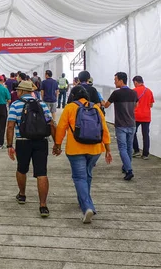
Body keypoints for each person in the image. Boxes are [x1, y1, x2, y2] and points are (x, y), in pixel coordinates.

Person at [53, 85, 112, 223]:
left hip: (76, 149)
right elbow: (104, 129)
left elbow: (61, 128)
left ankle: (87, 207)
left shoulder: (70, 108)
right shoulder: (96, 107)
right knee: (87, 176)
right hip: (95, 149)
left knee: (80, 178)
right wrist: (108, 149)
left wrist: (57, 145)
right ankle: (83, 201)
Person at [6, 81, 55, 218]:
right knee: (42, 173)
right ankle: (43, 205)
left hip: (22, 142)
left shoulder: (15, 105)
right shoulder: (42, 104)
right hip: (41, 141)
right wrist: (57, 144)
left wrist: (9, 145)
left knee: (22, 169)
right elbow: (51, 123)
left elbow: (10, 126)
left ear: (21, 91)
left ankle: (22, 195)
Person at [104, 72, 138, 181]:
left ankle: (129, 170)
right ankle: (126, 166)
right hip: (132, 124)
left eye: (115, 80)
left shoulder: (116, 93)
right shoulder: (133, 93)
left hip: (121, 125)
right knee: (129, 147)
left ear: (121, 80)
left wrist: (101, 102)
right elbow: (136, 105)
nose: (114, 82)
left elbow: (106, 105)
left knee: (122, 148)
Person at [132, 76, 155, 159]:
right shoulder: (149, 91)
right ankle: (145, 154)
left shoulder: (134, 91)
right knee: (145, 135)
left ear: (135, 82)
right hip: (146, 116)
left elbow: (132, 103)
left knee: (132, 133)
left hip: (136, 115)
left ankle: (136, 150)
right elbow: (151, 105)